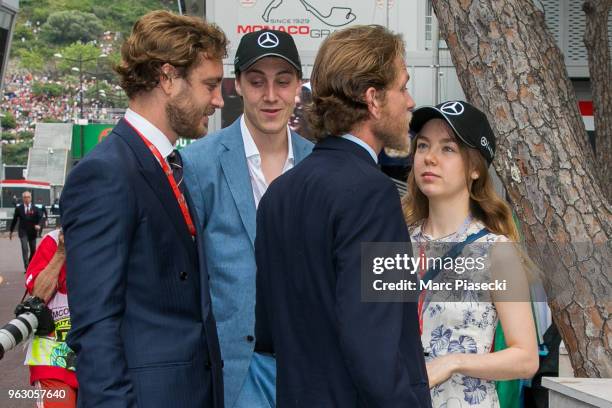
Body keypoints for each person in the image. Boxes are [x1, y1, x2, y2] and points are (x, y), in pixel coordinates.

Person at [254, 25, 431, 407]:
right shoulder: (375, 195)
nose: (410, 100)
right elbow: (376, 347)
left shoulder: (277, 195)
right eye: (402, 87)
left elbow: (267, 331)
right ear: (373, 99)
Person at [59, 10, 227, 407]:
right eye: (210, 85)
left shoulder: (167, 163)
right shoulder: (106, 172)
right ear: (168, 78)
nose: (218, 100)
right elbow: (95, 326)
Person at [182, 29, 313, 407]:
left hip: (306, 365)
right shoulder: (199, 163)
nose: (271, 96)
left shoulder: (318, 163)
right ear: (237, 84)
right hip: (235, 370)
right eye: (257, 82)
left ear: (297, 87)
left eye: (282, 82)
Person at [403, 100, 539, 407]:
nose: (430, 158)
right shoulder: (396, 242)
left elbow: (526, 358)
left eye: (447, 149)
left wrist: (452, 362)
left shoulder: (497, 251)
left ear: (475, 167)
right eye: (423, 146)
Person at [24, 227, 78, 408]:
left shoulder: (113, 236)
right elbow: (38, 294)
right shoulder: (53, 240)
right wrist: (61, 252)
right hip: (53, 360)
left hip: (100, 358)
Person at [10, 191, 44, 271]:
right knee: (25, 248)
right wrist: (11, 231)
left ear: (31, 198)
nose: (26, 199)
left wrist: (39, 225)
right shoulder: (19, 208)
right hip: (23, 231)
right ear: (22, 198)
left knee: (33, 250)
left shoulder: (36, 209)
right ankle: (27, 267)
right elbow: (14, 220)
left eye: (28, 197)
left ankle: (29, 263)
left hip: (32, 231)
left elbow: (41, 218)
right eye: (25, 197)